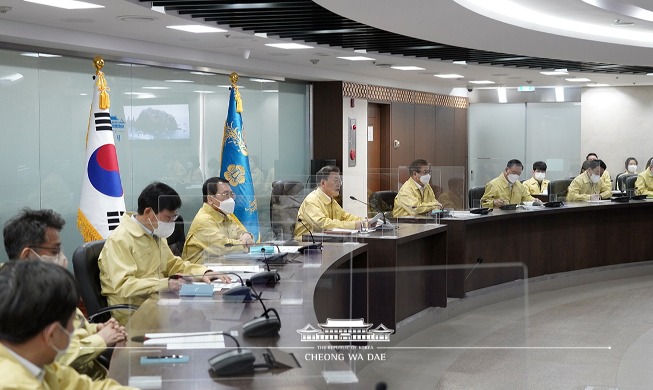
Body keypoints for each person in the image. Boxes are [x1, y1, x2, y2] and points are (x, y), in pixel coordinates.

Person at [2, 208, 126, 380]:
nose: (62, 258)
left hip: (90, 377)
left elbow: (73, 325)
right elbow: (55, 355)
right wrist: (100, 339)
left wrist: (95, 328)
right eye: (54, 251)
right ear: (27, 255)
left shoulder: (48, 286)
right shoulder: (15, 299)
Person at [99, 182, 230, 324]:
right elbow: (124, 285)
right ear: (149, 212)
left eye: (174, 217)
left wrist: (203, 272)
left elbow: (173, 265)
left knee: (207, 315)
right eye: (168, 217)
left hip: (160, 302)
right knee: (198, 321)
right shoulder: (120, 240)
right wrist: (165, 284)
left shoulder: (154, 234)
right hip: (134, 312)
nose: (172, 222)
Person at [0, 260, 134, 389]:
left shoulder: (38, 360)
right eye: (73, 323)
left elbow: (86, 387)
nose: (76, 329)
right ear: (52, 334)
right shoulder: (13, 385)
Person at [183, 177, 255, 264]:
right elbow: (224, 247)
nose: (231, 199)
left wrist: (246, 235)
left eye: (231, 194)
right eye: (226, 194)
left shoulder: (225, 215)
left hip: (223, 267)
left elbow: (242, 232)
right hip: (200, 273)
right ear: (210, 200)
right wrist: (244, 244)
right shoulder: (204, 221)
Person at [294, 165, 364, 239]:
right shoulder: (311, 201)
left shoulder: (331, 200)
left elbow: (345, 217)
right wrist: (354, 225)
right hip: (307, 244)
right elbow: (323, 225)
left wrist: (364, 222)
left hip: (326, 241)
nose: (339, 184)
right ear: (323, 183)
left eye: (340, 181)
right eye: (336, 180)